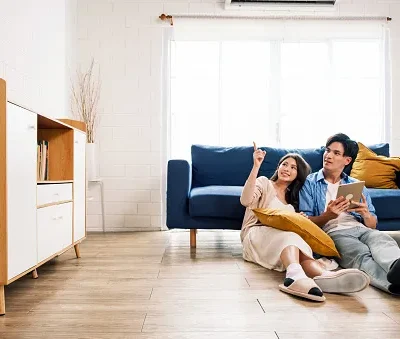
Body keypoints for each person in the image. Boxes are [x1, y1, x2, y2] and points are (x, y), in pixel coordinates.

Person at [240, 142, 370, 302]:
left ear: (298, 174)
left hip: (281, 241)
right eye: (284, 164)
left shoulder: (294, 200)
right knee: (290, 238)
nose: (287, 169)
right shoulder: (264, 183)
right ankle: (293, 277)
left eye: (293, 167)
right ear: (278, 168)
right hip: (255, 236)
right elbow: (246, 200)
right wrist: (256, 166)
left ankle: (326, 277)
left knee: (301, 246)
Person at [299, 133, 400, 295]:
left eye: (336, 153)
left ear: (347, 160)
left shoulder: (356, 185)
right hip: (335, 233)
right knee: (360, 255)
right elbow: (304, 222)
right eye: (327, 150)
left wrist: (366, 214)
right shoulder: (310, 182)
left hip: (362, 228)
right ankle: (392, 284)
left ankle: (396, 264)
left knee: (383, 240)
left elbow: (373, 225)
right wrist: (328, 215)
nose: (328, 155)